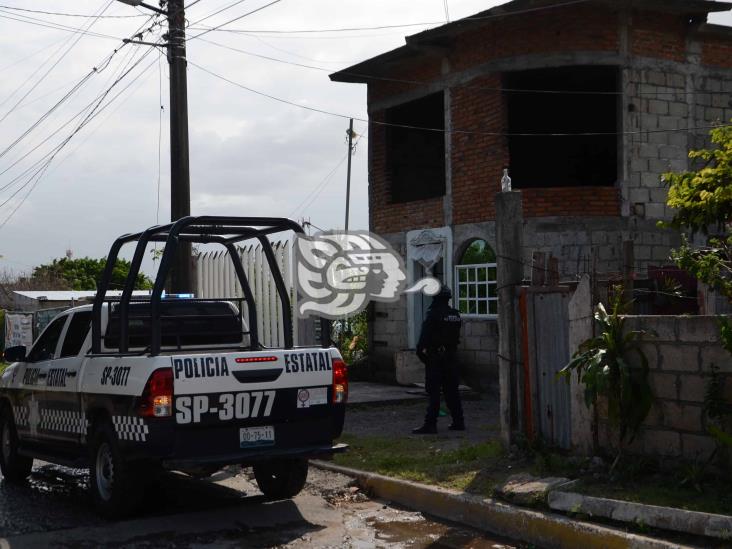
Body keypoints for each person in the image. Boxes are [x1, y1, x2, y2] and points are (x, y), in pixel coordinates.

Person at [413, 286, 465, 434]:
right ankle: (458, 421)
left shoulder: (433, 314)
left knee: (434, 392)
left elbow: (423, 340)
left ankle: (431, 424)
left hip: (436, 358)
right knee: (452, 391)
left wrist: (425, 358)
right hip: (451, 357)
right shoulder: (455, 315)